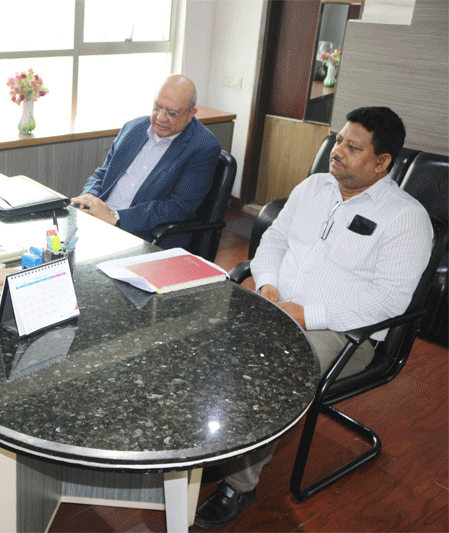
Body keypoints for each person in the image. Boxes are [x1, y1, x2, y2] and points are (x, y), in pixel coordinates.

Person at [193, 106, 433, 529]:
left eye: (353, 147)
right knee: (201, 332)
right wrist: (268, 284)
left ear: (382, 163)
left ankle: (239, 484)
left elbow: (390, 301)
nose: (337, 151)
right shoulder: (313, 187)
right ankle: (212, 442)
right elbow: (274, 240)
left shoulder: (406, 219)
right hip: (276, 304)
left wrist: (308, 314)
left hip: (340, 334)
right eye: (339, 141)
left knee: (269, 374)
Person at [69, 74, 221, 249]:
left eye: (172, 113)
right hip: (100, 221)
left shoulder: (203, 147)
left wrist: (115, 217)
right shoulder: (133, 128)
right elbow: (103, 173)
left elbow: (178, 207)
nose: (161, 118)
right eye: (157, 107)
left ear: (190, 114)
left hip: (142, 234)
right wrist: (89, 196)